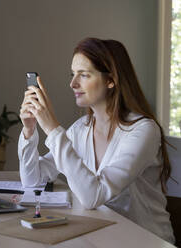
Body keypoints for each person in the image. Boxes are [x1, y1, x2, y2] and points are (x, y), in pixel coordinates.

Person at [18, 37, 175, 243]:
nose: (73, 83)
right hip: (102, 238)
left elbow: (93, 196)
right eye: (73, 74)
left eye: (83, 75)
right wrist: (29, 130)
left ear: (111, 80)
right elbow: (32, 181)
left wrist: (52, 128)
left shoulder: (143, 131)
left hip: (144, 242)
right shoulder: (81, 129)